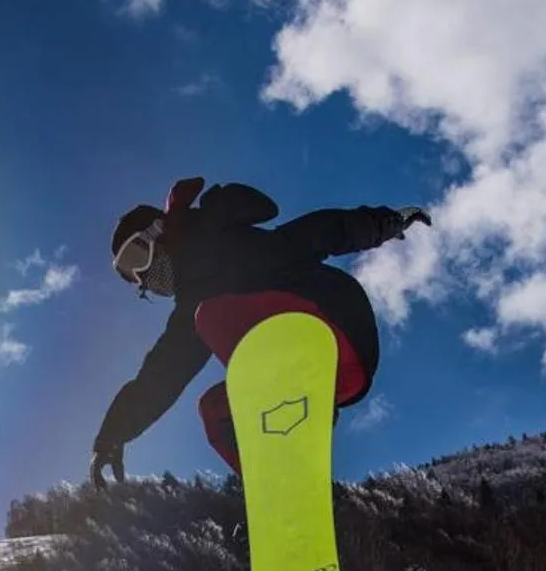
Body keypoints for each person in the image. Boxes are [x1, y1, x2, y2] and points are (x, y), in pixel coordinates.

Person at [89, 177, 430, 487]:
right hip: (339, 379)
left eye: (136, 257)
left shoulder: (224, 243)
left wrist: (385, 223)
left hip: (332, 321)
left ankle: (290, 388)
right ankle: (283, 489)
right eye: (130, 275)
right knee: (216, 412)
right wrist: (112, 437)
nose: (142, 277)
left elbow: (319, 232)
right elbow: (160, 377)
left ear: (159, 232)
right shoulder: (193, 302)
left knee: (209, 317)